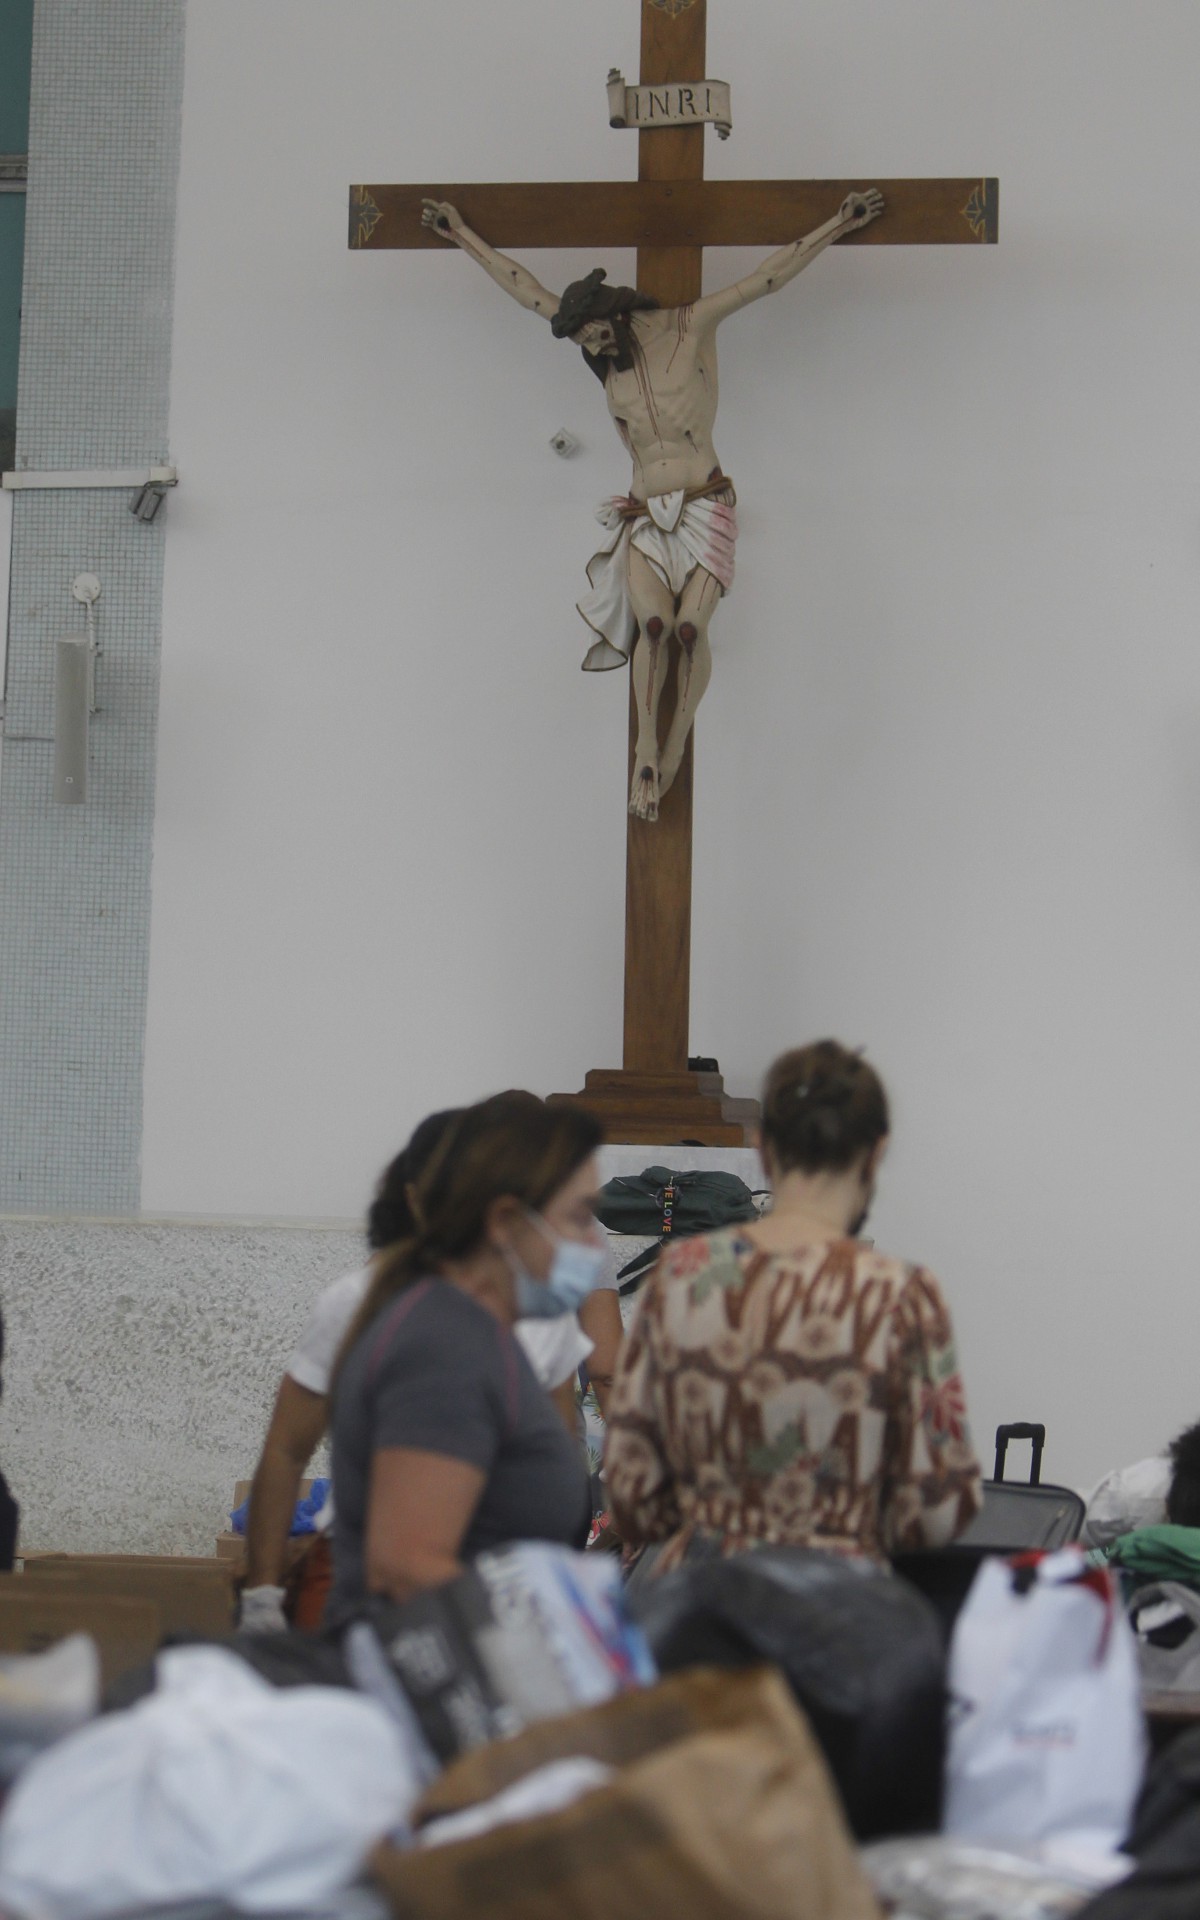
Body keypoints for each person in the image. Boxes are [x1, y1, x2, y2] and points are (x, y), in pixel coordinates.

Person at [420, 189, 884, 821]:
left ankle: (668, 755)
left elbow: (767, 278)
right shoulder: (599, 353)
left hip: (701, 506)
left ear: (611, 312)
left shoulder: (690, 326)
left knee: (690, 630)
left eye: (589, 329)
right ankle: (645, 743)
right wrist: (461, 237)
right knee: (656, 627)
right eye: (577, 334)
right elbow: (526, 289)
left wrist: (838, 223)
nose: (586, 341)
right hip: (643, 515)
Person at [605, 1041, 982, 1575]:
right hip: (846, 1617)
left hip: (705, 1617)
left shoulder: (681, 1278)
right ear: (877, 1152)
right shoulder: (901, 1295)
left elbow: (632, 1491)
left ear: (763, 1148)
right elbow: (940, 1512)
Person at [239, 1108, 601, 1630]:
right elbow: (406, 1567)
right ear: (502, 1222)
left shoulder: (481, 1331)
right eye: (579, 1217)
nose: (594, 1246)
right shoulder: (441, 1348)